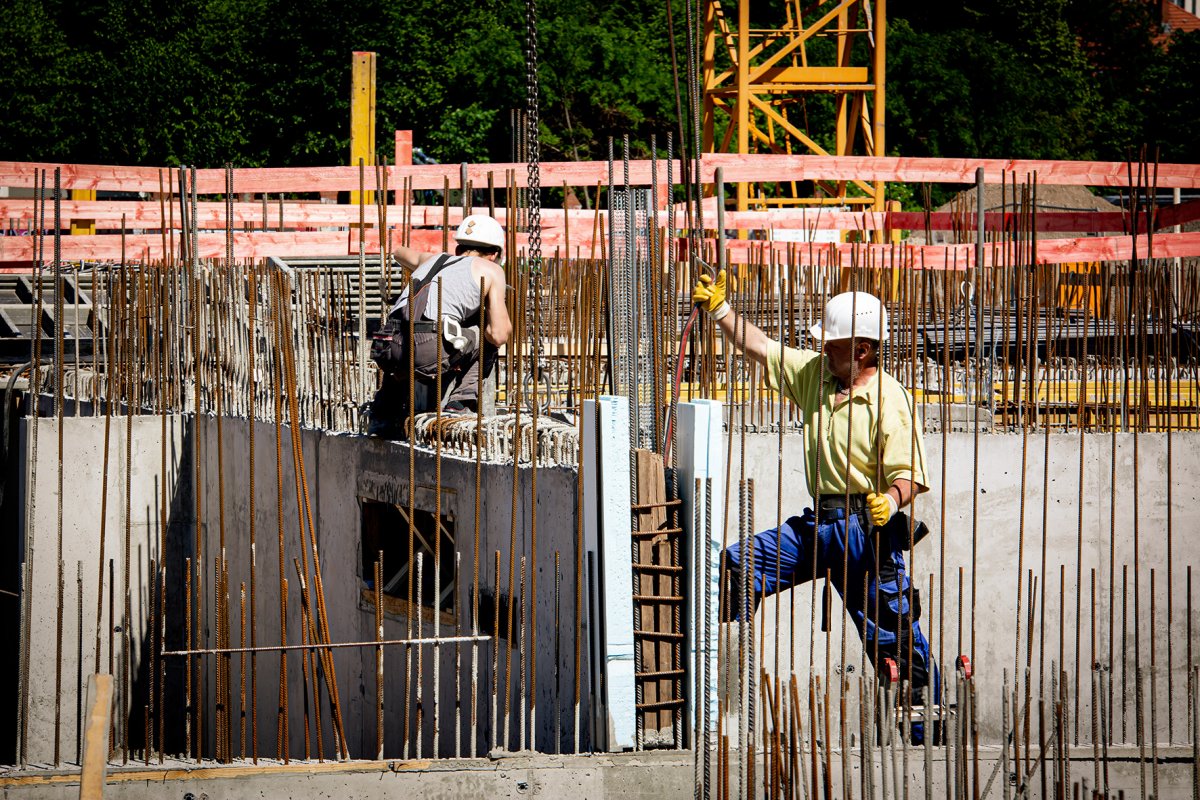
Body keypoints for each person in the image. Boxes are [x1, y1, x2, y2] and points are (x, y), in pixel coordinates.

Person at [693, 270, 939, 737]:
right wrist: (722, 311)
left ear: (862, 350)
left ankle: (928, 740)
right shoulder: (816, 377)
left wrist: (889, 499)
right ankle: (704, 683)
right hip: (818, 526)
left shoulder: (890, 400)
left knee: (897, 643)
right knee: (736, 568)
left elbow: (908, 476)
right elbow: (760, 348)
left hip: (862, 532)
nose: (822, 349)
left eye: (833, 344)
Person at [367, 214, 513, 437]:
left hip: (386, 345)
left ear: (459, 248)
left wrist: (418, 264)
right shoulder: (491, 269)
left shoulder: (434, 260)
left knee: (407, 334)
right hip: (427, 348)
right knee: (483, 332)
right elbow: (498, 334)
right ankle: (461, 403)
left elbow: (398, 252)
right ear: (494, 254)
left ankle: (384, 412)